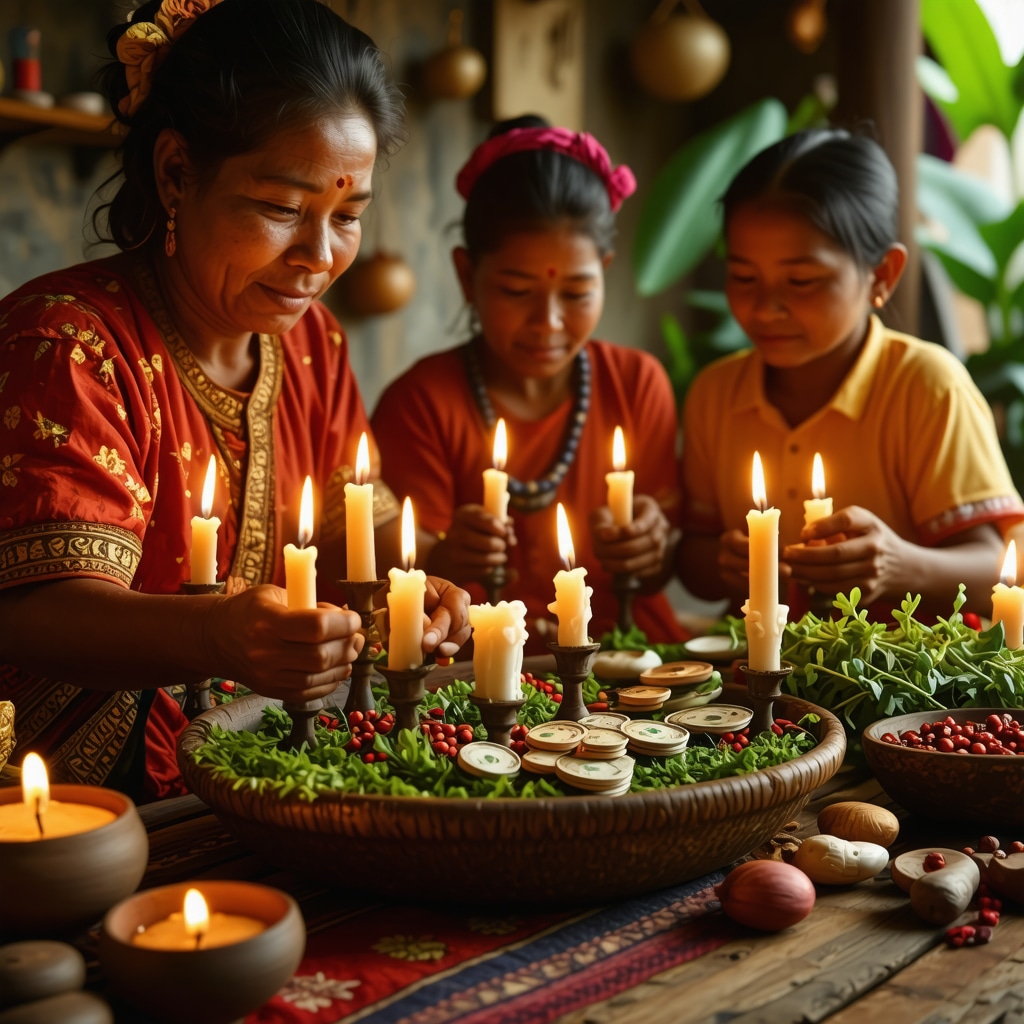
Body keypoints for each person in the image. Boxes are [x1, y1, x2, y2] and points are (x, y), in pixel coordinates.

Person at [0, 0, 470, 799]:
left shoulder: (312, 344)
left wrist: (414, 586)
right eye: (283, 210)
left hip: (244, 759)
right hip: (59, 798)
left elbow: (347, 522)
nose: (318, 259)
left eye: (347, 216)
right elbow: (30, 614)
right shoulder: (69, 344)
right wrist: (215, 635)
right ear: (177, 172)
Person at [678, 128, 1024, 621]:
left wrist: (899, 565)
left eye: (802, 281)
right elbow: (693, 555)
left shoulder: (926, 387)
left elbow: (996, 570)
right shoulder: (716, 394)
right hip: (762, 678)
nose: (766, 307)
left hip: (911, 683)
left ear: (881, 275)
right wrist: (725, 562)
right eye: (743, 277)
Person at [371, 116, 686, 653]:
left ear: (605, 271)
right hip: (476, 680)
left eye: (577, 293)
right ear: (466, 276)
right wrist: (443, 556)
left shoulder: (636, 383)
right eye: (517, 291)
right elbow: (404, 586)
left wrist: (653, 548)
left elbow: (663, 564)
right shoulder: (423, 402)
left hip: (631, 662)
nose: (549, 322)